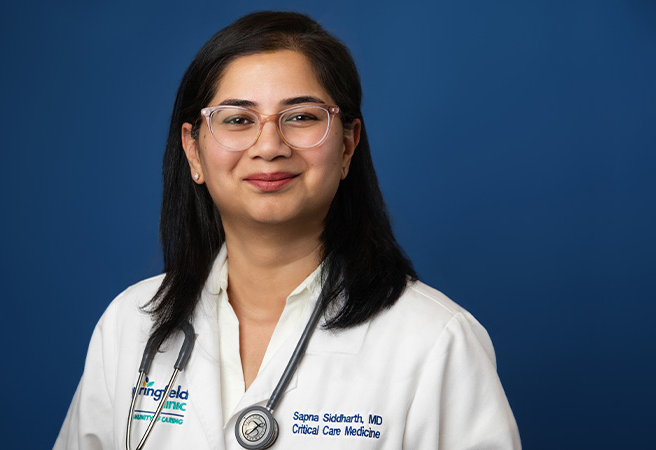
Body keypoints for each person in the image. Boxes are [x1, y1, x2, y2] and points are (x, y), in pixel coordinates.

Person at [54, 11, 520, 450]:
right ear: (193, 152)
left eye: (301, 117)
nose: (270, 146)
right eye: (238, 120)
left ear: (347, 146)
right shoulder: (131, 325)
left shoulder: (436, 340)